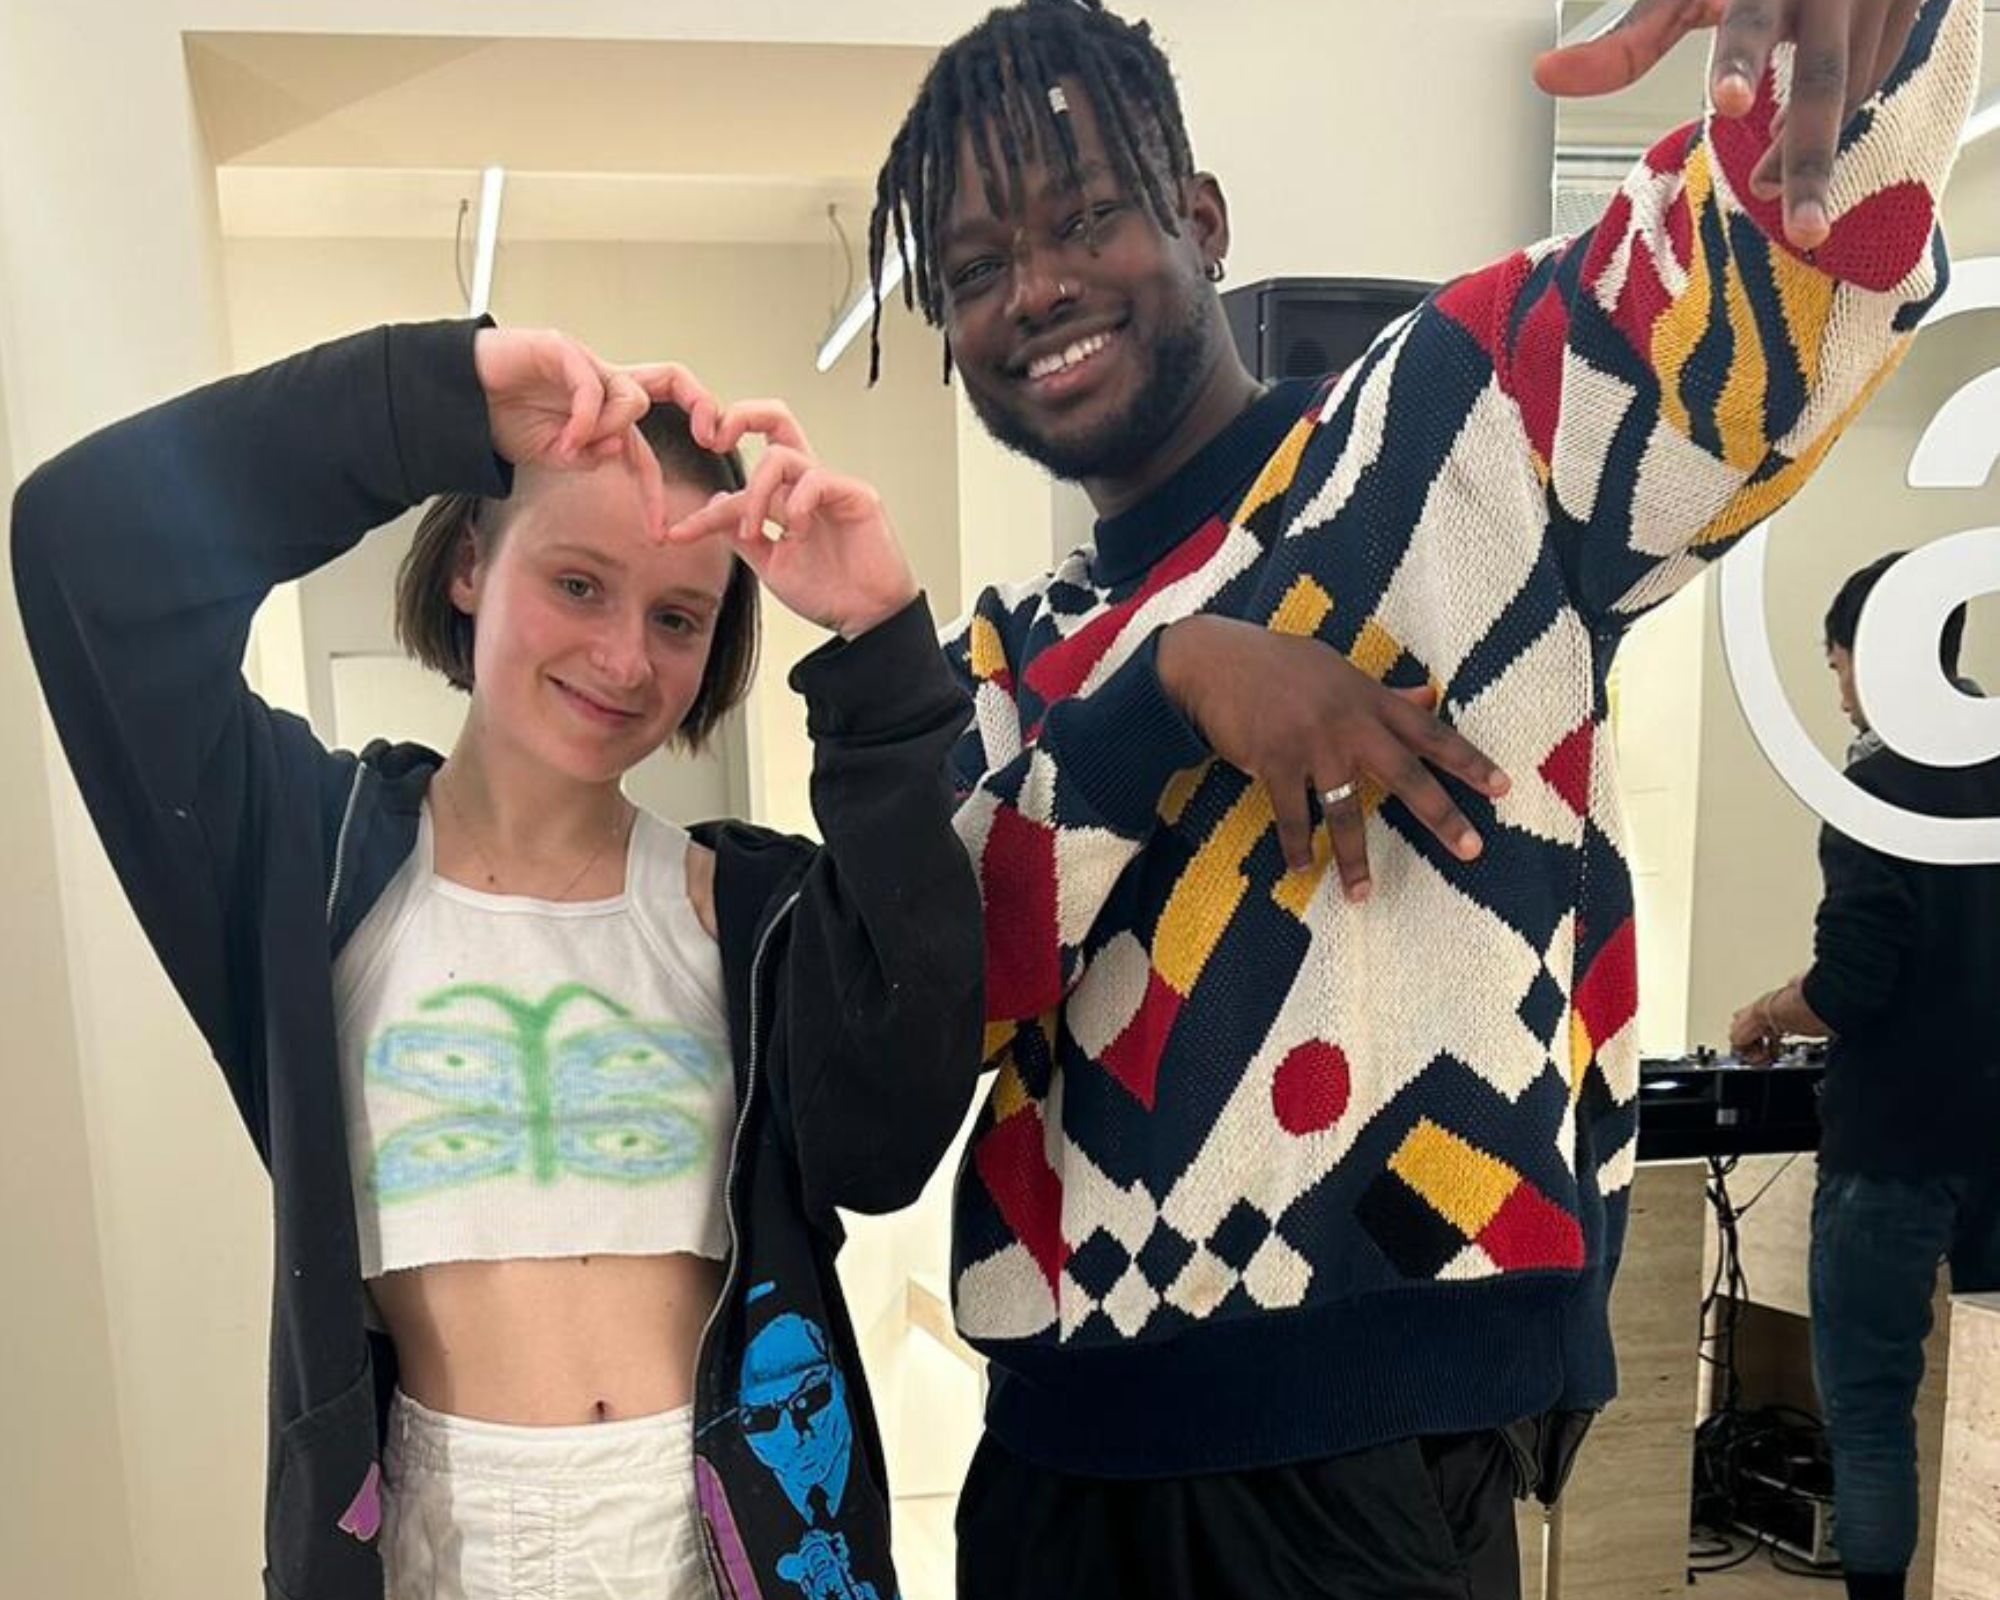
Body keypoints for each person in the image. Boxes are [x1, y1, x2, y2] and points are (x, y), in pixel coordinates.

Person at [819, 0, 1978, 1594]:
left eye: (1082, 218)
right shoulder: (1013, 659)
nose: (1032, 289)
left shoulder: (1452, 423)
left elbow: (1774, 304)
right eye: (970, 270)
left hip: (1366, 1456)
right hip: (1052, 1471)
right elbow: (943, 998)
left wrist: (1857, 47)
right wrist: (1173, 686)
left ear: (1201, 221)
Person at [10, 319, 984, 1600]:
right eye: (577, 583)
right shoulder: (305, 865)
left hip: (724, 1549)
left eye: (677, 616)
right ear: (470, 562)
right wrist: (437, 401)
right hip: (431, 1548)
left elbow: (889, 1142)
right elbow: (85, 545)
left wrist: (881, 650)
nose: (624, 658)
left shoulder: (748, 914)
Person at [1728, 552, 1999, 1600]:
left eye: (1838, 662)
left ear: (1876, 657)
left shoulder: (1879, 790)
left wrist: (1765, 1012)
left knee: (1873, 1409)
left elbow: (1851, 984)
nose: (1839, 689)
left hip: (1894, 1145)